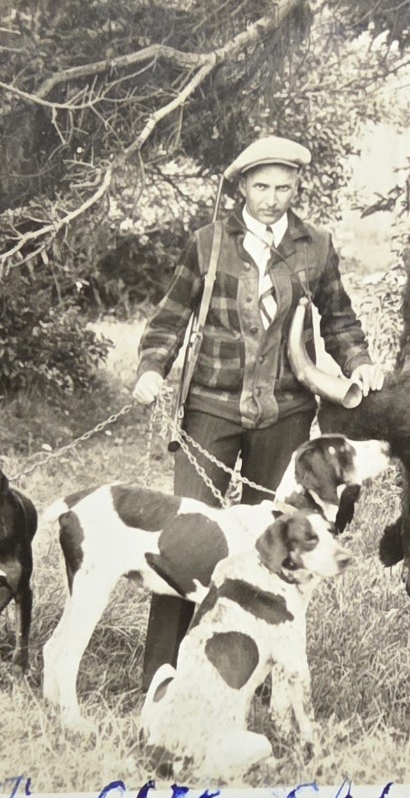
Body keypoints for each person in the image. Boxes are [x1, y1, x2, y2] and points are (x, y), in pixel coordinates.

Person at [130, 135, 386, 690]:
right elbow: (170, 317)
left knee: (274, 538)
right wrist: (153, 367)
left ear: (297, 188)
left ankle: (259, 668)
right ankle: (163, 672)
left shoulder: (316, 245)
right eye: (262, 186)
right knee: (186, 538)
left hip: (287, 413)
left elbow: (339, 318)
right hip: (210, 410)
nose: (272, 198)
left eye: (284, 187)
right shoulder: (208, 243)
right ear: (242, 186)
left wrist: (360, 363)